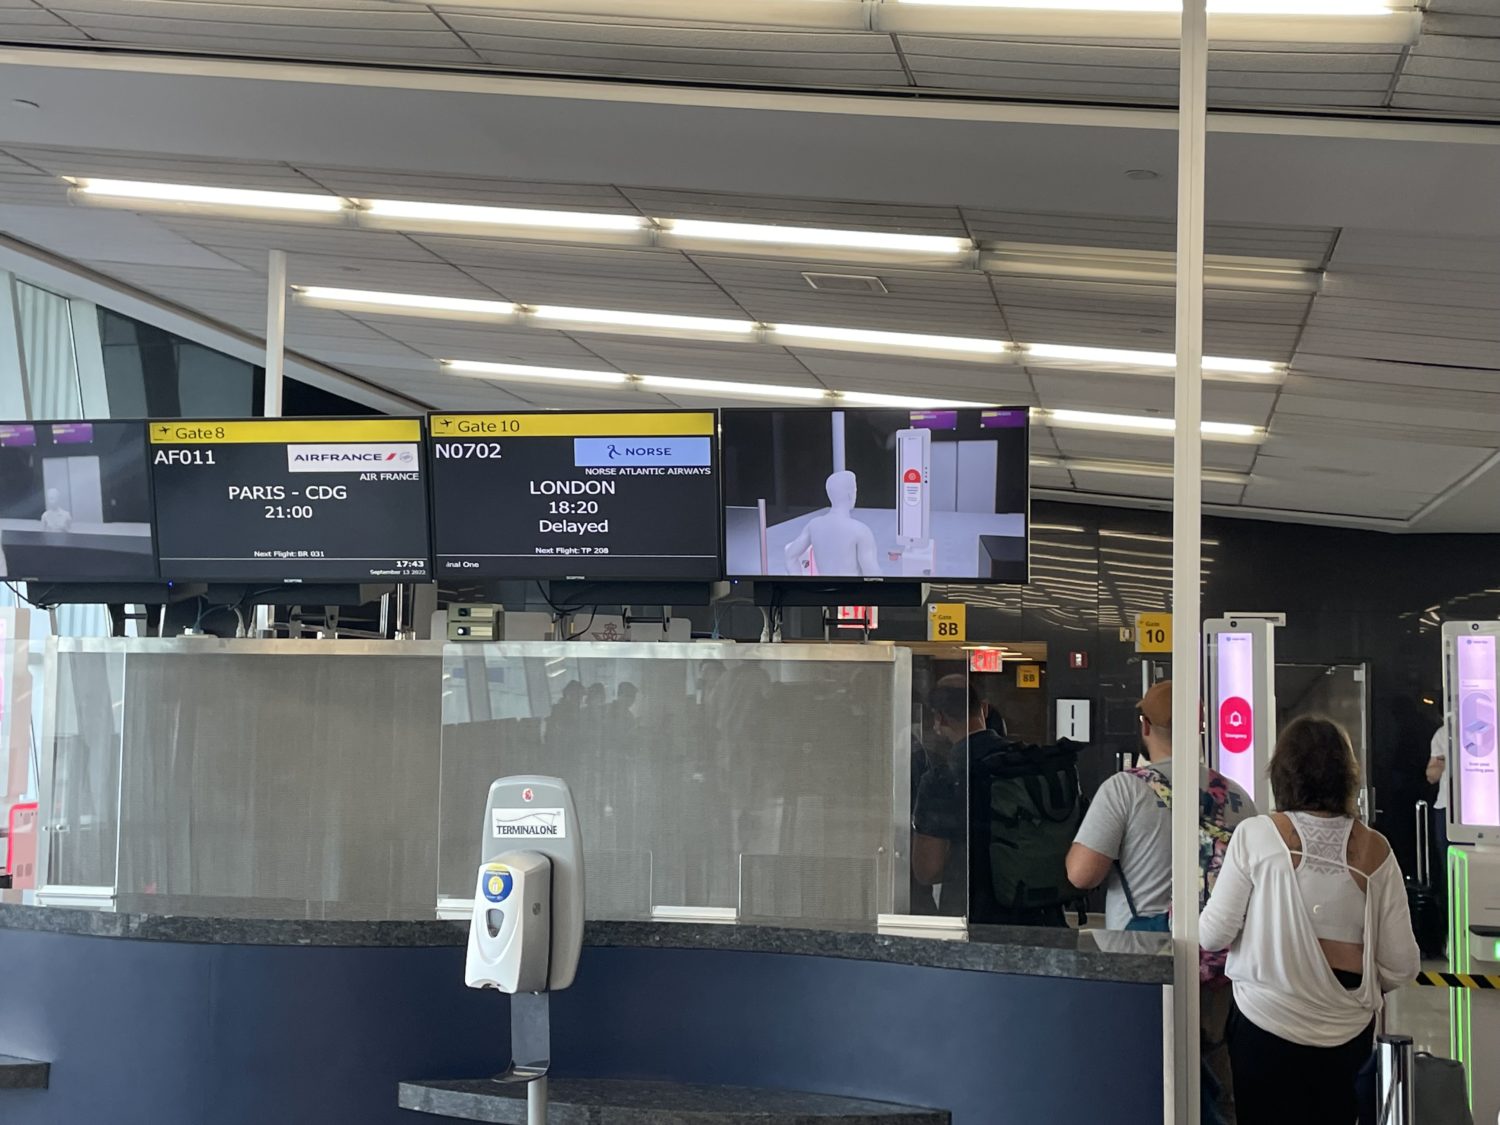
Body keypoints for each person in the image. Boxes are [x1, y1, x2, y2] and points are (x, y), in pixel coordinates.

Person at [1200, 716, 1420, 1125]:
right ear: (1347, 775)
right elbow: (1402, 964)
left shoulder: (1255, 835)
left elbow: (1213, 934)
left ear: (1282, 772)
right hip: (1346, 1037)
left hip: (1263, 1027)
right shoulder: (1377, 850)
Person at [1066, 680, 1254, 1124]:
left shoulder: (1124, 790)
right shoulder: (1238, 798)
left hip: (1143, 960)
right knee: (1216, 1078)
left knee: (1151, 1082)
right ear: (1201, 729)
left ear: (1145, 726)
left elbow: (1081, 874)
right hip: (1221, 964)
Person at [912, 679, 1074, 926]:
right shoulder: (1033, 761)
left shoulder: (942, 778)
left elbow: (928, 870)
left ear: (940, 719)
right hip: (1045, 913)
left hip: (976, 917)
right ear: (985, 709)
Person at [784, 470, 880, 577]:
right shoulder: (860, 530)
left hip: (824, 586)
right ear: (850, 494)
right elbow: (873, 574)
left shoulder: (813, 525)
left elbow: (790, 557)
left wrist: (800, 583)